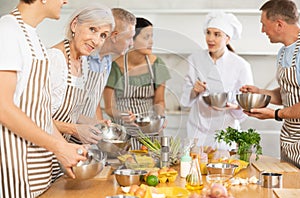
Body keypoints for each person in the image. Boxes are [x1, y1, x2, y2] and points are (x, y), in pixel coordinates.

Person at [0, 0, 89, 198]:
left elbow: (39, 111)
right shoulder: (7, 30)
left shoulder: (32, 36)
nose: (66, 1)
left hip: (38, 166)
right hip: (16, 164)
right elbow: (3, 108)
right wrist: (58, 146)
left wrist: (64, 150)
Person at [240, 0, 300, 168]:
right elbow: (288, 93)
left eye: (264, 25)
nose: (262, 30)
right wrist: (260, 93)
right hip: (290, 139)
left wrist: (275, 114)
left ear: (279, 24)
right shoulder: (283, 52)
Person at [180, 11, 253, 148]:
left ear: (228, 38)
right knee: (194, 167)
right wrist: (194, 91)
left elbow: (246, 107)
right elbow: (185, 101)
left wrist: (234, 107)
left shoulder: (241, 65)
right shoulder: (195, 60)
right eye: (208, 33)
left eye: (217, 34)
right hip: (197, 131)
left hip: (225, 134)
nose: (210, 39)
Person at [49, 5, 115, 145]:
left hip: (59, 149)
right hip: (37, 149)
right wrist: (74, 130)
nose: (96, 41)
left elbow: (69, 112)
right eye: (92, 29)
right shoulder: (54, 59)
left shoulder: (83, 62)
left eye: (103, 35)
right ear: (74, 25)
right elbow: (32, 117)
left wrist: (95, 124)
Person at [103, 17, 171, 149]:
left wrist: (159, 116)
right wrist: (123, 116)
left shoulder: (157, 64)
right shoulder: (116, 67)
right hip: (124, 134)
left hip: (151, 132)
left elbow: (159, 101)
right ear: (132, 40)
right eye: (146, 37)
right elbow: (109, 108)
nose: (151, 42)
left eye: (152, 37)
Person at [80, 8, 136, 120]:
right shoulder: (83, 56)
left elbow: (94, 102)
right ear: (114, 36)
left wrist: (100, 126)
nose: (132, 44)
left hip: (85, 131)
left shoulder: (107, 61)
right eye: (129, 38)